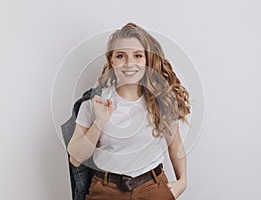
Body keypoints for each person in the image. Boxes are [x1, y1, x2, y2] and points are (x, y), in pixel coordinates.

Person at [67, 22, 191, 200]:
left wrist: (182, 182)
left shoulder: (161, 101)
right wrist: (99, 122)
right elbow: (76, 158)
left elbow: (175, 145)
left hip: (153, 188)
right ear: (112, 61)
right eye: (120, 56)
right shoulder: (94, 102)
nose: (129, 63)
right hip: (105, 191)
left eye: (137, 55)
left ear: (147, 60)